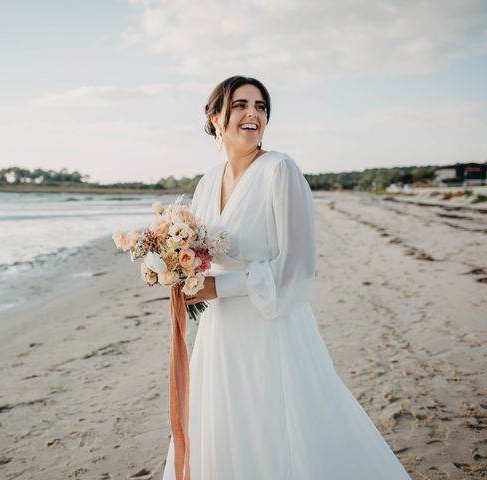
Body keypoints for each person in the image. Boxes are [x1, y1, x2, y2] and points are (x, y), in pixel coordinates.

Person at [161, 76, 412, 479]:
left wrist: (218, 287)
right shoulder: (208, 182)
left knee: (280, 424)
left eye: (260, 106)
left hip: (271, 324)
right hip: (220, 330)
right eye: (240, 104)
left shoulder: (281, 170)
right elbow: (200, 252)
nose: (252, 113)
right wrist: (176, 271)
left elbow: (296, 264)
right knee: (225, 421)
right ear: (215, 117)